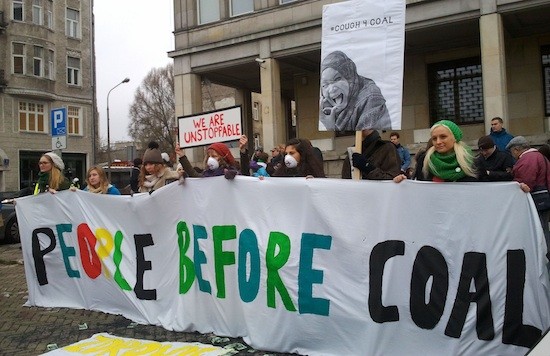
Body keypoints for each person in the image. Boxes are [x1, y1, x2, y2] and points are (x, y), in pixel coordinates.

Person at [319, 50, 391, 131]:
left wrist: (331, 128)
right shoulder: (329, 109)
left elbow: (365, 136)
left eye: (337, 79)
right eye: (325, 85)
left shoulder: (371, 99)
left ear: (349, 76)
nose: (332, 89)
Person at [394, 120, 477, 183]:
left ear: (455, 138)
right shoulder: (425, 160)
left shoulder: (470, 160)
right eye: (434, 138)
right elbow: (419, 190)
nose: (438, 142)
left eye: (443, 137)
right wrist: (405, 183)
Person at [506, 136, 550, 249]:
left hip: (536, 198)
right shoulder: (539, 156)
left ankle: (543, 254)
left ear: (516, 149)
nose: (512, 155)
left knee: (539, 229)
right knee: (544, 227)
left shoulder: (527, 159)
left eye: (512, 151)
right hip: (544, 197)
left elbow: (526, 181)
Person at [176, 141, 242, 179]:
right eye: (209, 156)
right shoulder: (207, 174)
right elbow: (194, 174)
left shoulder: (231, 172)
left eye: (214, 156)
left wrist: (234, 177)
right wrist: (182, 156)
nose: (210, 159)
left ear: (223, 158)